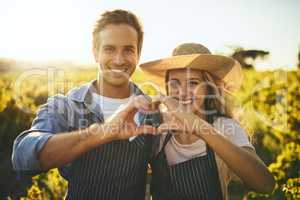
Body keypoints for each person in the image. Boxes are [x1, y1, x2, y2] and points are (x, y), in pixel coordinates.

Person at [12, 9, 158, 200]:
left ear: (138, 54)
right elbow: (23, 157)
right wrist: (102, 132)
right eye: (109, 49)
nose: (119, 59)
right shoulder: (65, 105)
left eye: (128, 50)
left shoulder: (152, 111)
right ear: (95, 52)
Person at [139, 43, 275, 200]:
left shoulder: (224, 127)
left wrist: (199, 127)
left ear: (209, 88)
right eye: (175, 83)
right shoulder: (158, 126)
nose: (182, 92)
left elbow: (265, 185)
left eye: (193, 83)